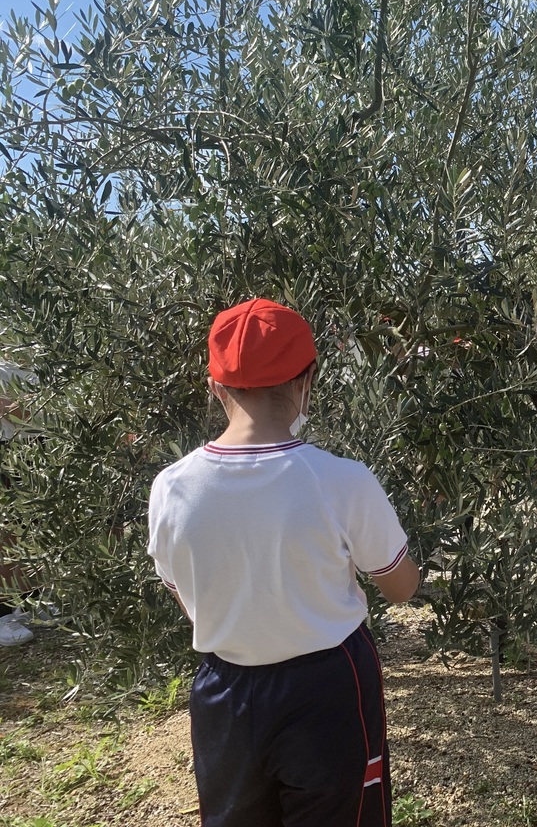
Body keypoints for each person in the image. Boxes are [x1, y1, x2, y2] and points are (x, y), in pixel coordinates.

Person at [147, 298, 420, 826]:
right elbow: (402, 586)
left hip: (225, 691)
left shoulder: (172, 488)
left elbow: (185, 594)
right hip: (328, 687)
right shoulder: (342, 480)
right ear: (307, 379)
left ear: (215, 386)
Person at [1, 355, 37, 647]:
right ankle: (3, 613)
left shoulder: (36, 358)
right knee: (9, 533)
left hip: (38, 446)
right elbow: (13, 410)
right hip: (8, 450)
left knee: (36, 527)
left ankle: (30, 601)